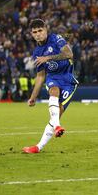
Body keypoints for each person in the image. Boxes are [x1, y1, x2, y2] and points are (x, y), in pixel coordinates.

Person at [23, 19, 79, 154]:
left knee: (56, 116)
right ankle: (56, 128)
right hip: (53, 78)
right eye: (34, 32)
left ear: (45, 30)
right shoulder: (37, 52)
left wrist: (48, 58)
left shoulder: (56, 39)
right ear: (31, 34)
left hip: (68, 80)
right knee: (53, 91)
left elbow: (69, 54)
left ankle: (39, 146)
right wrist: (33, 97)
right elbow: (41, 76)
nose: (38, 34)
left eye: (40, 31)